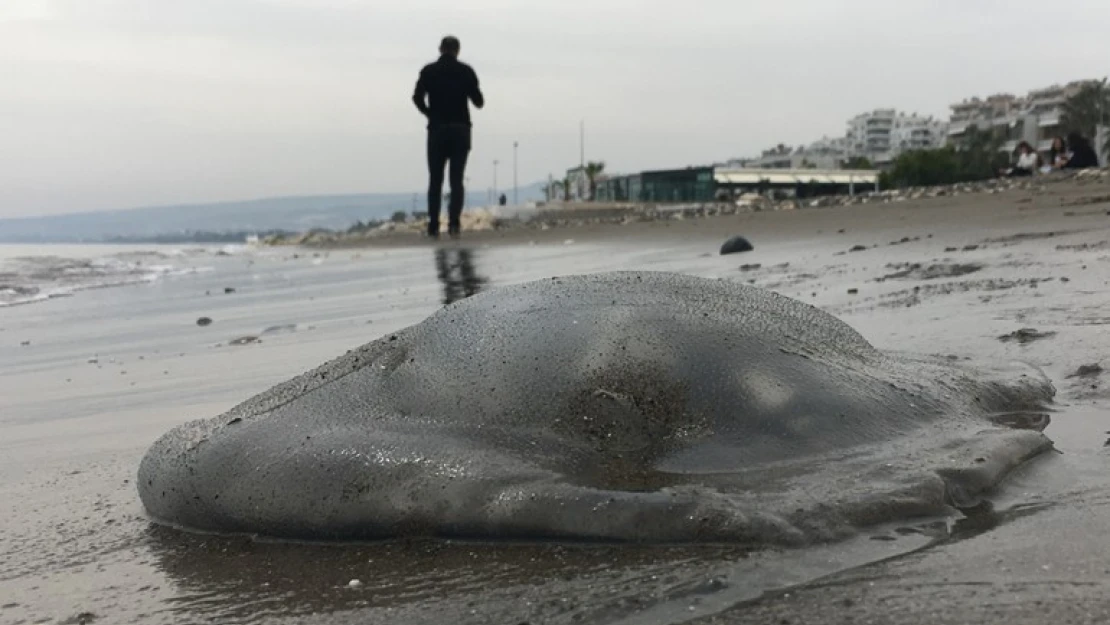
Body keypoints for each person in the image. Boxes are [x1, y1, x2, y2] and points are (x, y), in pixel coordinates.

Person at [413, 36, 484, 239]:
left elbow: (417, 98)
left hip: (437, 129)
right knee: (456, 179)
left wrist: (428, 113)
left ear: (440, 49)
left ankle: (433, 225)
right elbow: (478, 102)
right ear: (458, 50)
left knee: (435, 180)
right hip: (461, 130)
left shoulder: (428, 71)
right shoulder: (466, 71)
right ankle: (454, 224)